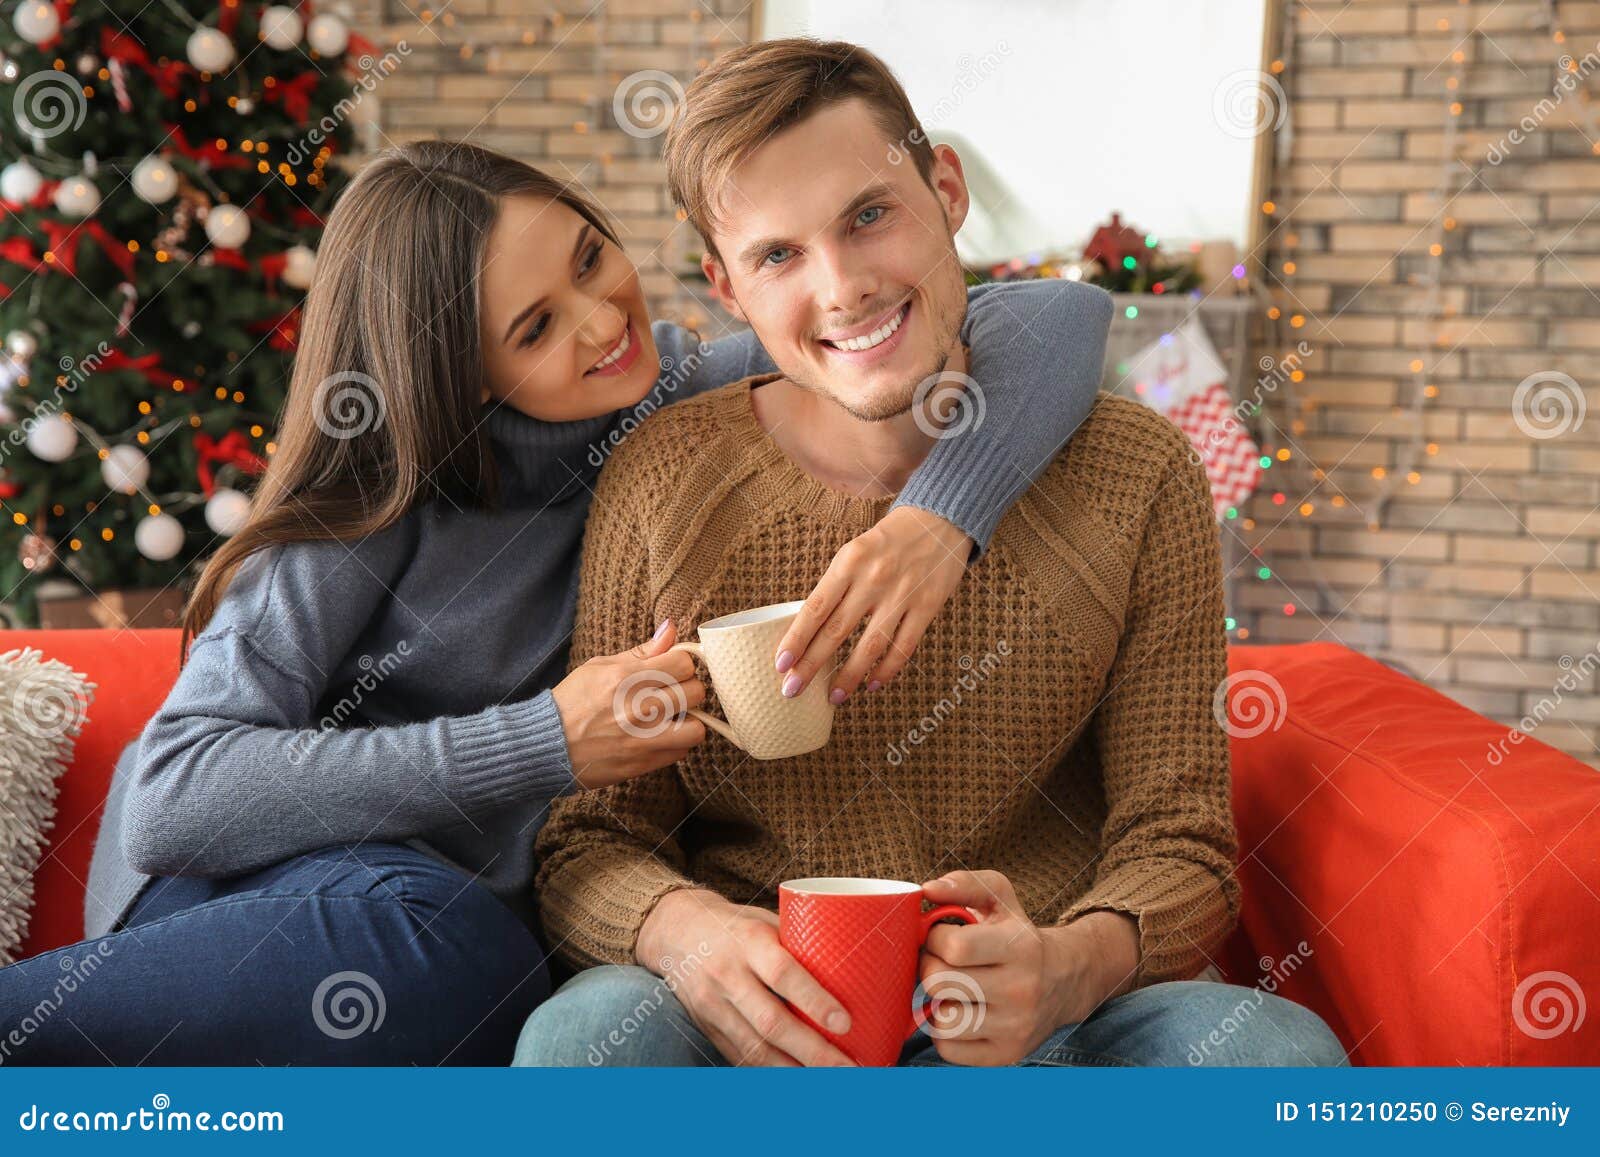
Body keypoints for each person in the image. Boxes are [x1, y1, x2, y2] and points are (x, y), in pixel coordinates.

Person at [0, 138, 1112, 1064]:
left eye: (591, 256)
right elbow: (175, 797)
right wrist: (545, 739)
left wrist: (939, 520)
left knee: (504, 977)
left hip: (462, 955)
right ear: (461, 372)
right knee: (459, 945)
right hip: (262, 906)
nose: (599, 320)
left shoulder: (677, 393)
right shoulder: (376, 498)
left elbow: (1051, 318)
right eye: (533, 328)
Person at [515, 38, 1348, 1068]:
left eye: (868, 215)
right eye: (779, 255)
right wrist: (687, 935)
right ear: (724, 286)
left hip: (1048, 1019)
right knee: (586, 1034)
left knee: (1273, 1056)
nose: (845, 286)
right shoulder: (656, 478)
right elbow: (590, 840)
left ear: (943, 188)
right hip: (755, 1021)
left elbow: (1180, 846)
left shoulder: (1140, 470)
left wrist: (1065, 966)